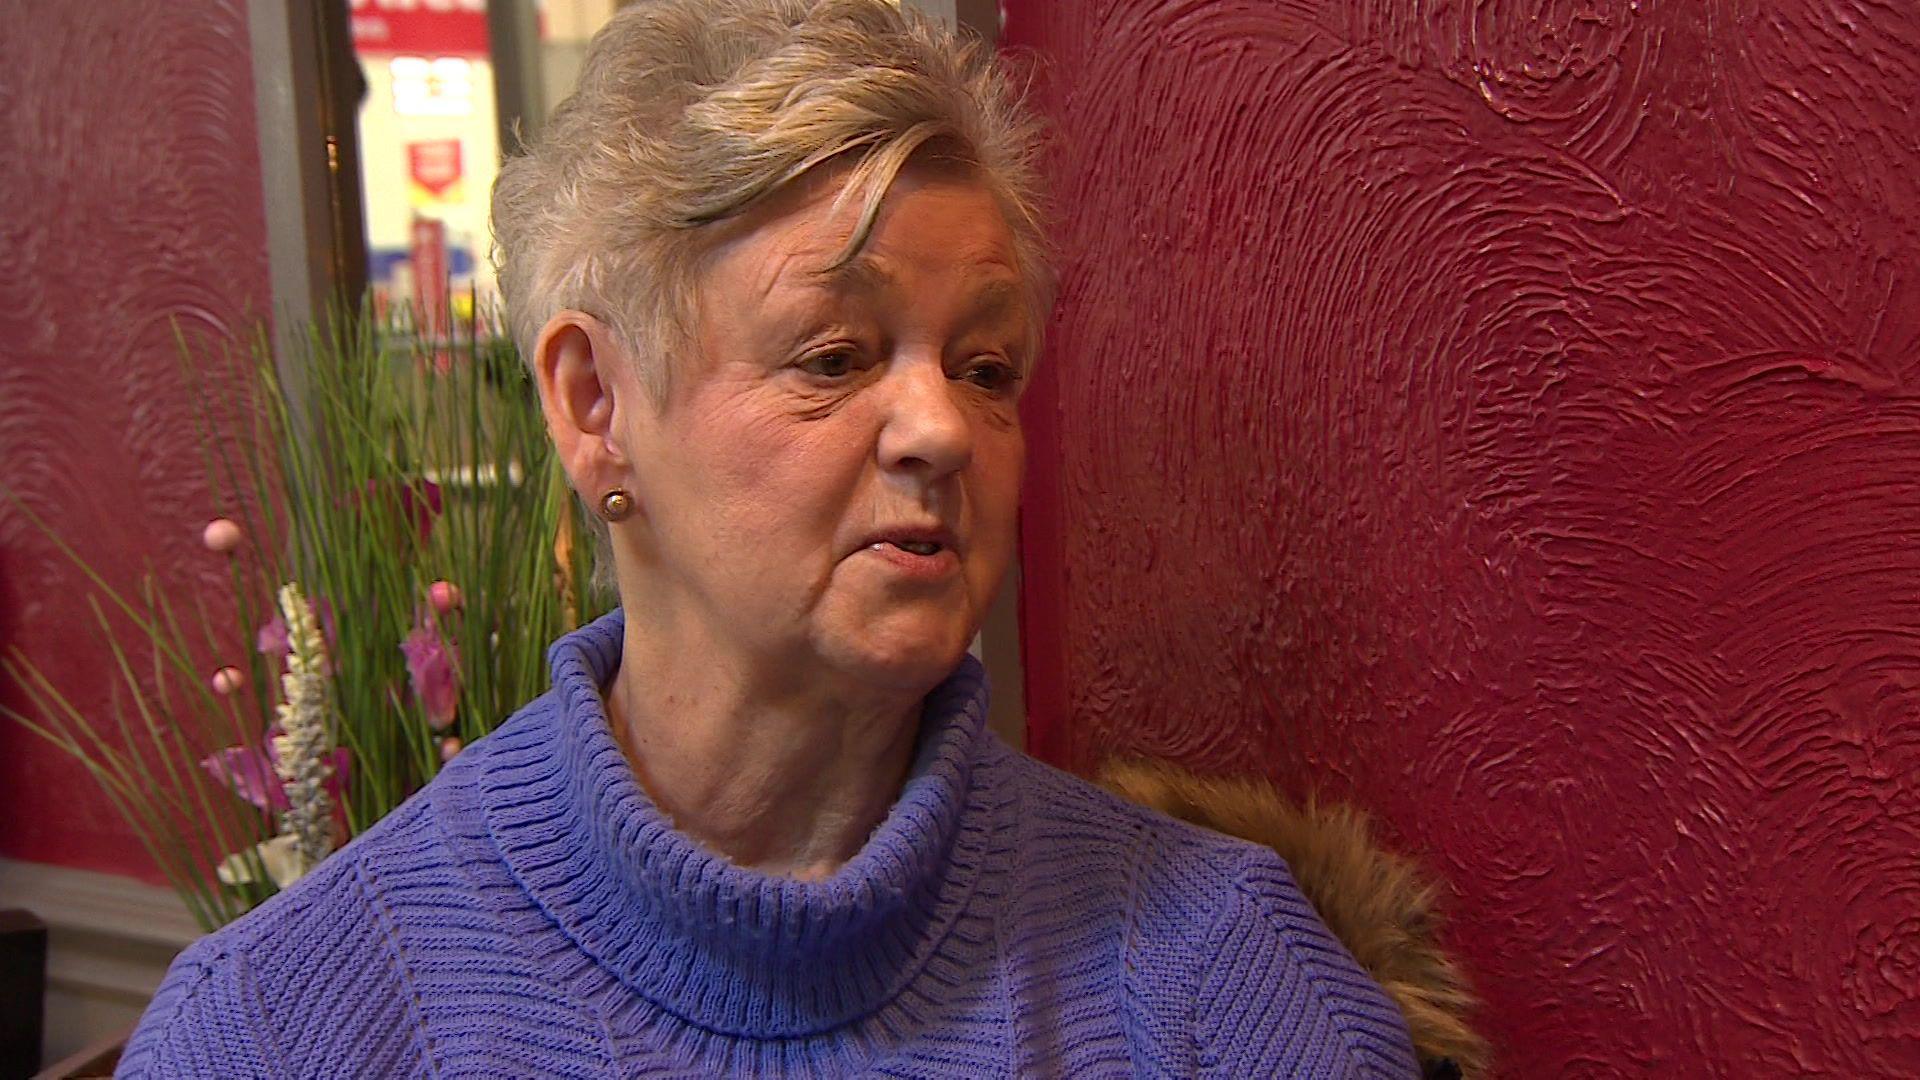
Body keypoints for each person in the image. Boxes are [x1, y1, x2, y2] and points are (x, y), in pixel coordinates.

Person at [119, 1, 1418, 1075]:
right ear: (596, 407)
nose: (942, 431)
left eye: (985, 365)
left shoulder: (1220, 985)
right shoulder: (284, 1025)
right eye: (836, 354)